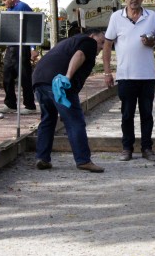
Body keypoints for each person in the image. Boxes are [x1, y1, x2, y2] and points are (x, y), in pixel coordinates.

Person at [103, 0, 155, 162]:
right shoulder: (116, 17)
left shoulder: (151, 16)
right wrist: (107, 72)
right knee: (127, 114)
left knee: (147, 114)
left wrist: (153, 41)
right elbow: (107, 45)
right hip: (125, 75)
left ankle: (147, 148)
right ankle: (126, 148)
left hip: (146, 75)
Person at [32, 28, 106, 172]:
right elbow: (79, 55)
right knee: (74, 121)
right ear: (92, 36)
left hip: (39, 80)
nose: (102, 47)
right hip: (59, 83)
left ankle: (42, 158)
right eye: (101, 42)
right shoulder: (89, 42)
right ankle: (83, 160)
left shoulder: (69, 41)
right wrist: (67, 76)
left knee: (48, 119)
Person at [0, 0, 38, 115]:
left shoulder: (22, 7)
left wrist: (33, 48)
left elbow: (33, 27)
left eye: (4, 0)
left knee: (25, 77)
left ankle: (30, 106)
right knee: (7, 76)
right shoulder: (9, 8)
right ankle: (10, 104)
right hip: (11, 47)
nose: (3, 3)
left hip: (22, 47)